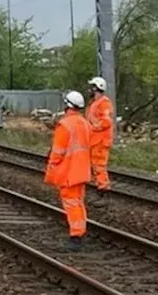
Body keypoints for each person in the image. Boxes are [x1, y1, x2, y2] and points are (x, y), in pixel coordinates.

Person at [45, 90, 92, 250]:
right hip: (82, 170)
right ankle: (80, 230)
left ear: (67, 106)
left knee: (71, 203)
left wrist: (52, 167)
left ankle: (76, 236)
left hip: (69, 172)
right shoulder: (85, 124)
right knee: (78, 202)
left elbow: (57, 152)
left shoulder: (64, 125)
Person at [85, 76, 114, 200]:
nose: (89, 89)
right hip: (95, 141)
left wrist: (92, 128)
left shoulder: (104, 103)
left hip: (101, 141)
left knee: (99, 166)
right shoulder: (94, 103)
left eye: (92, 87)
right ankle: (100, 188)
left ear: (97, 88)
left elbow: (106, 122)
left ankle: (104, 191)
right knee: (95, 166)